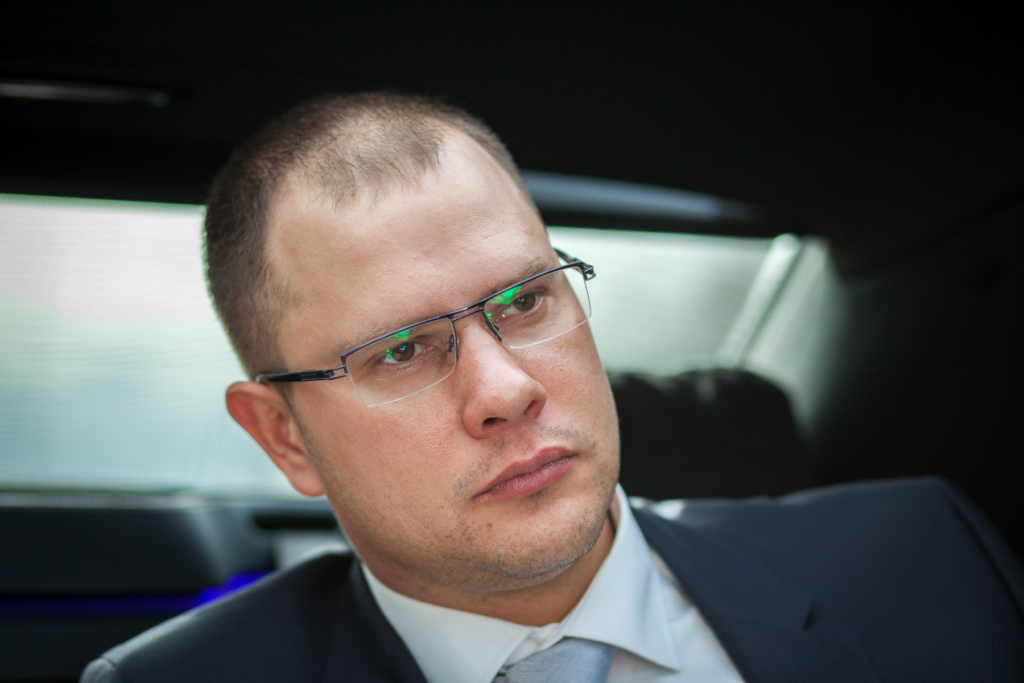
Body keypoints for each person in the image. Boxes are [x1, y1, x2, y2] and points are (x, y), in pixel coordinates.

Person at [81, 92, 1024, 683]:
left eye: (526, 299)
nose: (507, 388)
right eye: (400, 351)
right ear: (285, 437)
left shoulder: (927, 555)